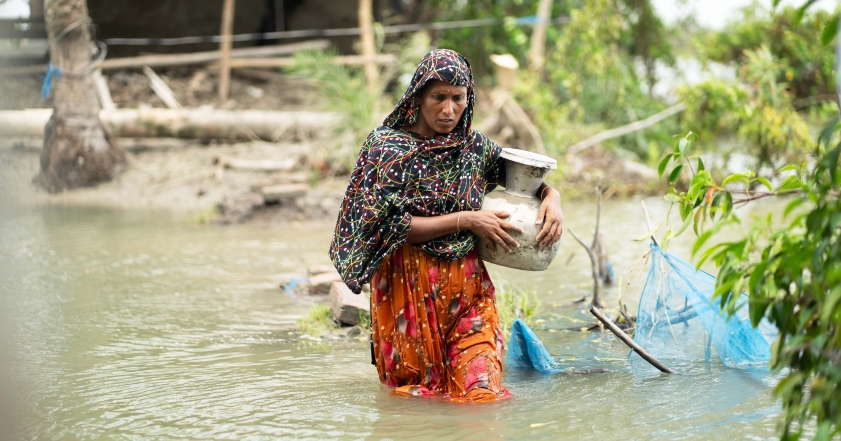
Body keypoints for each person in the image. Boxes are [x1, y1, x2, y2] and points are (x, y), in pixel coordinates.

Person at [329, 49, 563, 402]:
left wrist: (552, 196)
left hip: (468, 293)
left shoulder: (473, 148)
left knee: (482, 393)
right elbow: (388, 226)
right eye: (438, 97)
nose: (449, 109)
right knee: (415, 401)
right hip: (405, 290)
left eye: (458, 98)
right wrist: (466, 220)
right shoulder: (387, 149)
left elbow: (522, 180)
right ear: (418, 96)